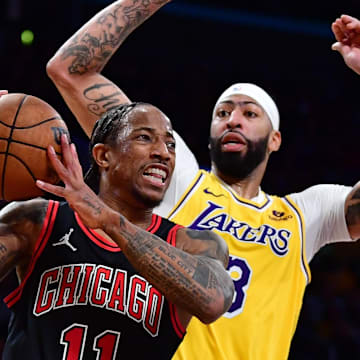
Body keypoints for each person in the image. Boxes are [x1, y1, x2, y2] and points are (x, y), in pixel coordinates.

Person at [46, 0, 360, 358]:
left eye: (249, 112)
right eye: (222, 112)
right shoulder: (178, 177)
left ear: (275, 139)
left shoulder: (306, 214)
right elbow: (72, 70)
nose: (233, 120)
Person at [0, 101, 234, 359]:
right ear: (103, 156)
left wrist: (109, 221)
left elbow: (213, 302)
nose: (164, 153)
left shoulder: (193, 243)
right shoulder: (38, 220)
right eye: (145, 138)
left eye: (170, 145)